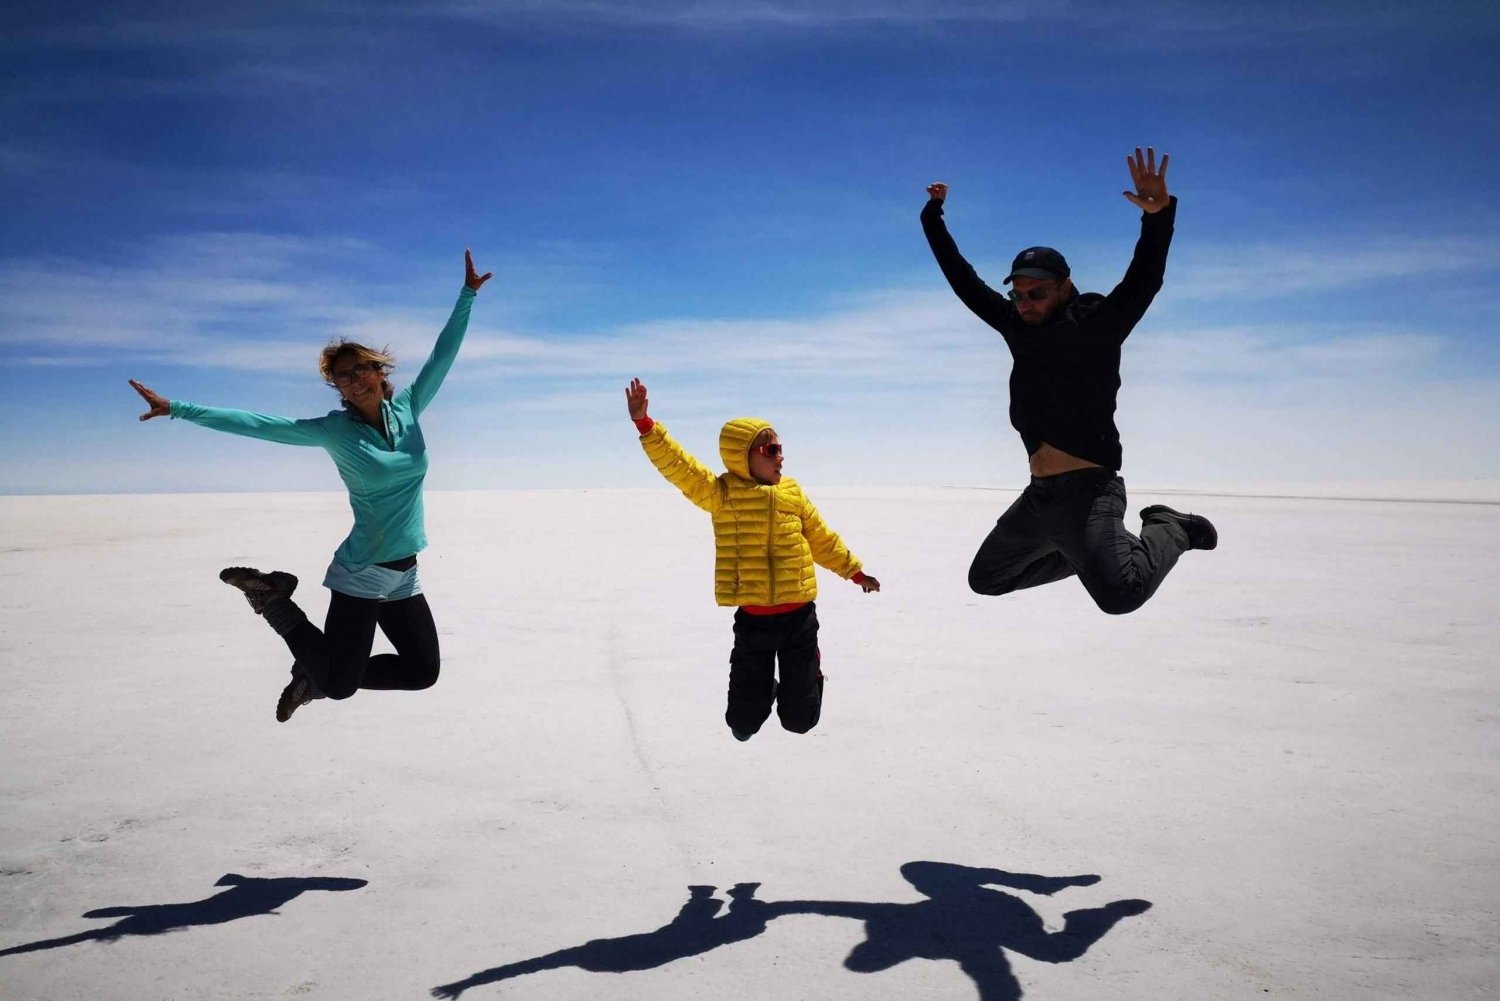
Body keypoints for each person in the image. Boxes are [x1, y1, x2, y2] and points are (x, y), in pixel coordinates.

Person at [130, 250, 492, 721]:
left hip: (405, 571)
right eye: (341, 376)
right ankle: (274, 602)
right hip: (363, 570)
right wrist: (179, 407)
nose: (353, 380)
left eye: (360, 369)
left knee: (421, 671)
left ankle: (314, 672)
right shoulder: (333, 431)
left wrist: (466, 296)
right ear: (336, 388)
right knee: (339, 686)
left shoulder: (408, 409)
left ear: (380, 372)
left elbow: (443, 355)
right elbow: (258, 424)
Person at [920, 148, 1216, 616]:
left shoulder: (1098, 326)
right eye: (1017, 293)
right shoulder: (1016, 327)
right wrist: (933, 217)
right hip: (1040, 498)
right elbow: (963, 280)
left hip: (1090, 491)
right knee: (989, 578)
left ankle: (1169, 527)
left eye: (1036, 292)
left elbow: (1144, 281)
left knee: (1120, 596)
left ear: (1063, 286)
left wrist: (1158, 219)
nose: (1025, 302)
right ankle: (1095, 556)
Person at [625, 378, 879, 740]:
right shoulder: (722, 494)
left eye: (780, 449)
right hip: (753, 624)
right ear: (744, 456)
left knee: (800, 721)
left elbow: (822, 539)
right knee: (742, 724)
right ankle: (766, 691)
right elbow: (680, 468)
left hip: (799, 621)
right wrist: (645, 426)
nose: (780, 457)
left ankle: (811, 674)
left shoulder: (793, 493)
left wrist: (855, 573)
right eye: (771, 449)